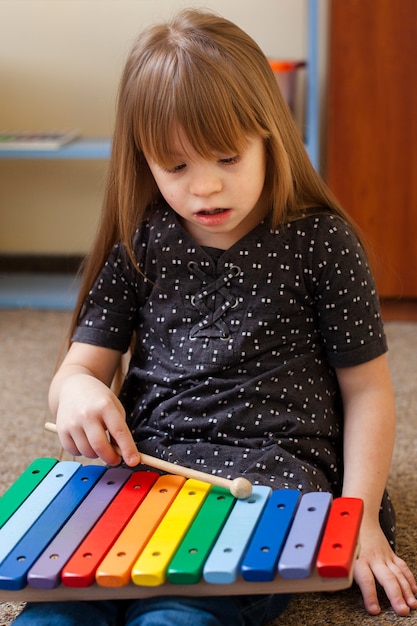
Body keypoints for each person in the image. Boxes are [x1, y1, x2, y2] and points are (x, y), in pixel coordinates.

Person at [13, 8, 417, 625]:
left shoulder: (321, 242)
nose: (204, 188)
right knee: (58, 607)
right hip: (146, 467)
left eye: (227, 158)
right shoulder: (141, 238)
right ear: (143, 159)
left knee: (179, 614)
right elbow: (79, 369)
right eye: (175, 167)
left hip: (270, 475)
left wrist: (358, 519)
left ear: (269, 137)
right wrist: (74, 395)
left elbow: (367, 392)